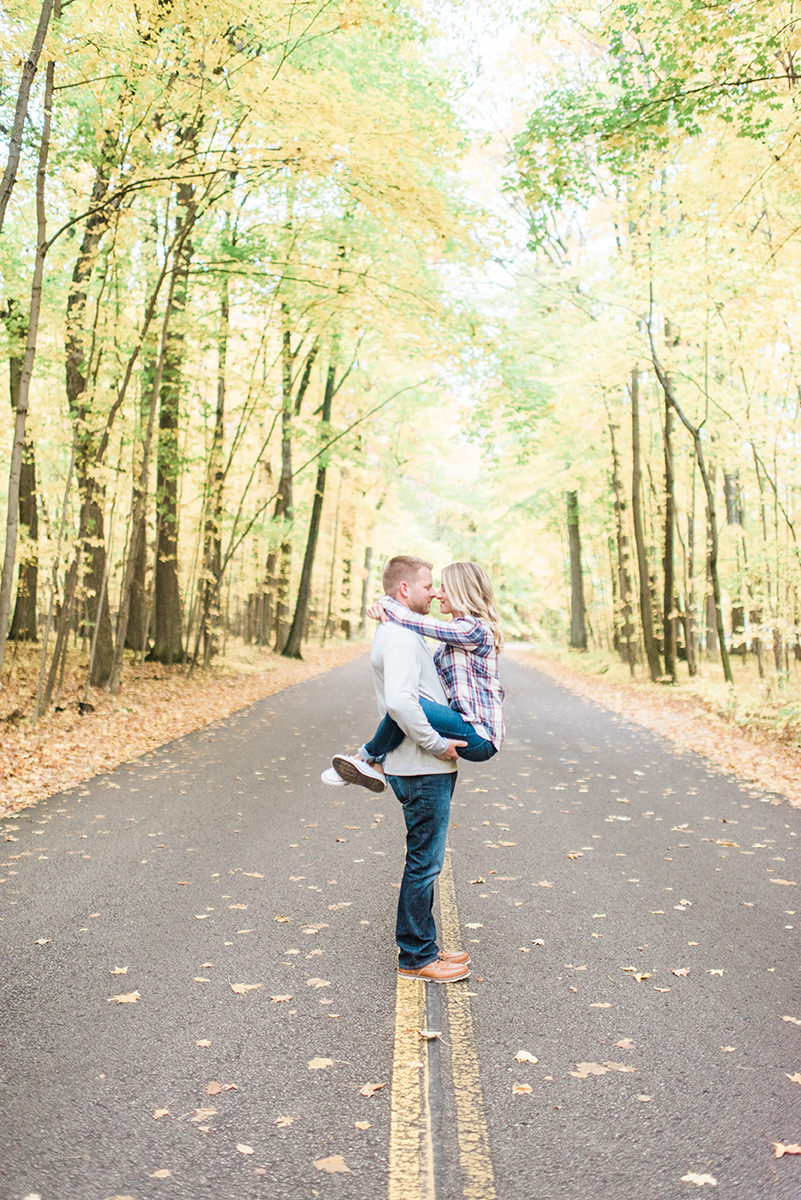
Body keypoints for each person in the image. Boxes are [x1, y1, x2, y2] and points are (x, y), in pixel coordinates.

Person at [333, 554, 471, 983]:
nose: (435, 592)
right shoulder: (397, 636)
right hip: (420, 765)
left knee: (426, 861)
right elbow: (398, 702)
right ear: (404, 591)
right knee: (424, 864)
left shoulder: (404, 630)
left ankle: (424, 946)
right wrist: (437, 744)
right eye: (428, 585)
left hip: (423, 765)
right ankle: (415, 957)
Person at [325, 560, 504, 794]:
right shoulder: (458, 636)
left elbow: (416, 622)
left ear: (462, 591)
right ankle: (376, 765)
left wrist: (386, 602)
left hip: (480, 735)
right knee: (404, 703)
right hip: (463, 724)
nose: (438, 595)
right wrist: (385, 603)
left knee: (404, 702)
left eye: (444, 588)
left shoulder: (474, 630)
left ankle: (365, 756)